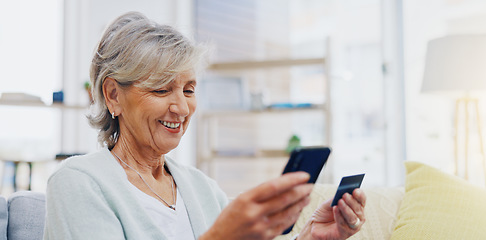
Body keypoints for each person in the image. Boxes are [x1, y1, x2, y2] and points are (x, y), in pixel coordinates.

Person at [44, 11, 366, 240]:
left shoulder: (201, 189)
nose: (182, 108)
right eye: (161, 89)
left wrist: (311, 236)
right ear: (113, 95)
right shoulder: (77, 184)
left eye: (189, 90)